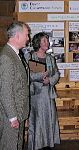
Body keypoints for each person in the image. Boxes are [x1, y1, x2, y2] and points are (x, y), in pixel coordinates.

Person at [25, 32, 60, 150]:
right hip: (36, 95)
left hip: (49, 94)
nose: (47, 43)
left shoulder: (50, 58)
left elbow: (56, 73)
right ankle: (37, 144)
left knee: (49, 119)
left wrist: (49, 80)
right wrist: (40, 76)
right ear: (38, 42)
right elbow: (26, 75)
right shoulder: (29, 56)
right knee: (38, 121)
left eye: (47, 40)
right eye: (44, 40)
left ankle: (48, 144)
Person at [0, 21, 30, 150]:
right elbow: (5, 90)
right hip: (11, 117)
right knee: (10, 146)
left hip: (19, 112)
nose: (28, 38)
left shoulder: (15, 54)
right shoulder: (6, 57)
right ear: (17, 35)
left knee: (17, 145)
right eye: (26, 35)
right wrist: (12, 117)